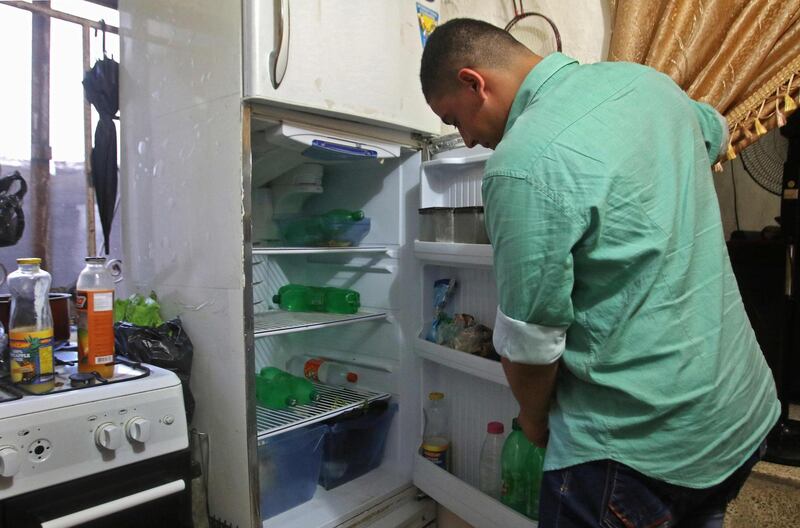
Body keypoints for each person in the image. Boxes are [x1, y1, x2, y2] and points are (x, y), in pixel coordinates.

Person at [420, 18, 780, 528]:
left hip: (638, 452)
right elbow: (715, 135)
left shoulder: (520, 164)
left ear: (474, 83)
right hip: (738, 412)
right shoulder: (647, 83)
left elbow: (529, 346)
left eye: (454, 118)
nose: (467, 140)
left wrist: (536, 423)